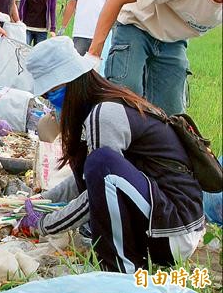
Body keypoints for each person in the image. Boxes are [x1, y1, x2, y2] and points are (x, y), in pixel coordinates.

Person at [18, 36, 204, 273]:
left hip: (173, 230)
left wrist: (44, 225)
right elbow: (88, 183)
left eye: (52, 93)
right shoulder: (100, 108)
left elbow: (99, 187)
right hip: (166, 220)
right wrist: (38, 202)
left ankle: (122, 271)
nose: (50, 104)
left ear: (73, 83)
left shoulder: (104, 115)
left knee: (101, 163)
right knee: (95, 166)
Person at [87, 0, 222, 116]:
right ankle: (100, 132)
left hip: (174, 39)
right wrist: (93, 55)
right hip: (137, 24)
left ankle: (152, 139)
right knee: (125, 95)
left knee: (171, 112)